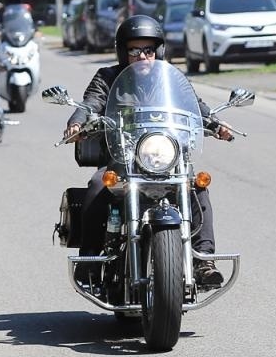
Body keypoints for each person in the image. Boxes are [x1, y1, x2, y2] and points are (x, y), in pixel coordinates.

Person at [61, 15, 231, 289]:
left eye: (149, 50)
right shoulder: (107, 77)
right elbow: (91, 103)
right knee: (96, 187)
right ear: (122, 51)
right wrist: (77, 122)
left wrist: (216, 123)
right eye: (135, 50)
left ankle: (204, 262)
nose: (143, 56)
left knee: (198, 188)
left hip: (167, 160)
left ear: (158, 51)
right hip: (122, 162)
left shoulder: (170, 79)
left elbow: (195, 105)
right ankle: (90, 262)